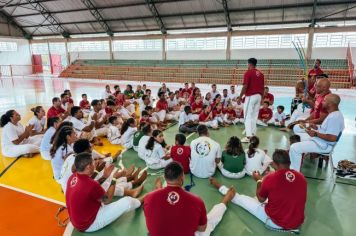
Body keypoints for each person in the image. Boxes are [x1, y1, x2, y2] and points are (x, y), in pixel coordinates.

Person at [210, 149, 307, 232]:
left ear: (274, 164)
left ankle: (220, 187)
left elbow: (260, 199)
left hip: (276, 222)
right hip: (297, 222)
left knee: (240, 199)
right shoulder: (301, 177)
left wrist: (259, 180)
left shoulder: (271, 178)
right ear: (289, 163)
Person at [144, 161, 236, 236]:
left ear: (165, 177)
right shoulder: (196, 200)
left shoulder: (149, 197)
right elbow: (202, 228)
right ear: (182, 178)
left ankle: (159, 188)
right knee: (209, 222)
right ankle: (225, 200)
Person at [66, 152, 143, 232]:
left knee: (105, 185)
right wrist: (114, 179)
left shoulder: (73, 177)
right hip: (89, 224)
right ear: (88, 167)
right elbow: (108, 200)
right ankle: (144, 198)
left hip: (80, 219)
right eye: (93, 162)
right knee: (127, 202)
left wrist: (105, 176)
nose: (95, 163)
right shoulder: (90, 184)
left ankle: (129, 182)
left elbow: (91, 186)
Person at [289, 94, 345, 172]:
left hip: (324, 145)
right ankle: (299, 153)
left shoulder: (334, 117)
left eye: (325, 100)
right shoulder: (333, 114)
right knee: (298, 130)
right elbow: (326, 130)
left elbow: (332, 138)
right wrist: (316, 127)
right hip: (321, 141)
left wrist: (316, 134)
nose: (322, 102)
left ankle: (295, 173)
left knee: (294, 148)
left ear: (330, 104)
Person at [238, 58, 265, 143]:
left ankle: (248, 137)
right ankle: (253, 135)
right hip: (259, 96)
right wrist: (262, 98)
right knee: (254, 116)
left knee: (247, 116)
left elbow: (245, 86)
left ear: (249, 64)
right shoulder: (261, 74)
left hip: (251, 96)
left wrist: (240, 97)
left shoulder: (248, 73)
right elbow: (262, 88)